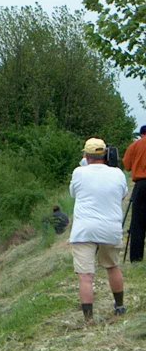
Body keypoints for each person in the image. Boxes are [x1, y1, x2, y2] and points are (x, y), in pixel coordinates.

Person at [69, 138, 128, 322]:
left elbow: (73, 193)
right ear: (106, 154)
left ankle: (89, 319)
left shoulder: (79, 172)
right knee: (112, 266)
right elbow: (123, 193)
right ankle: (119, 306)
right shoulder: (117, 173)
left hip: (84, 230)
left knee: (86, 276)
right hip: (110, 228)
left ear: (86, 155)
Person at [123, 125, 146, 262]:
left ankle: (136, 258)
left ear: (142, 134)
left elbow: (126, 165)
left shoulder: (135, 145)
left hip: (141, 185)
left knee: (137, 223)